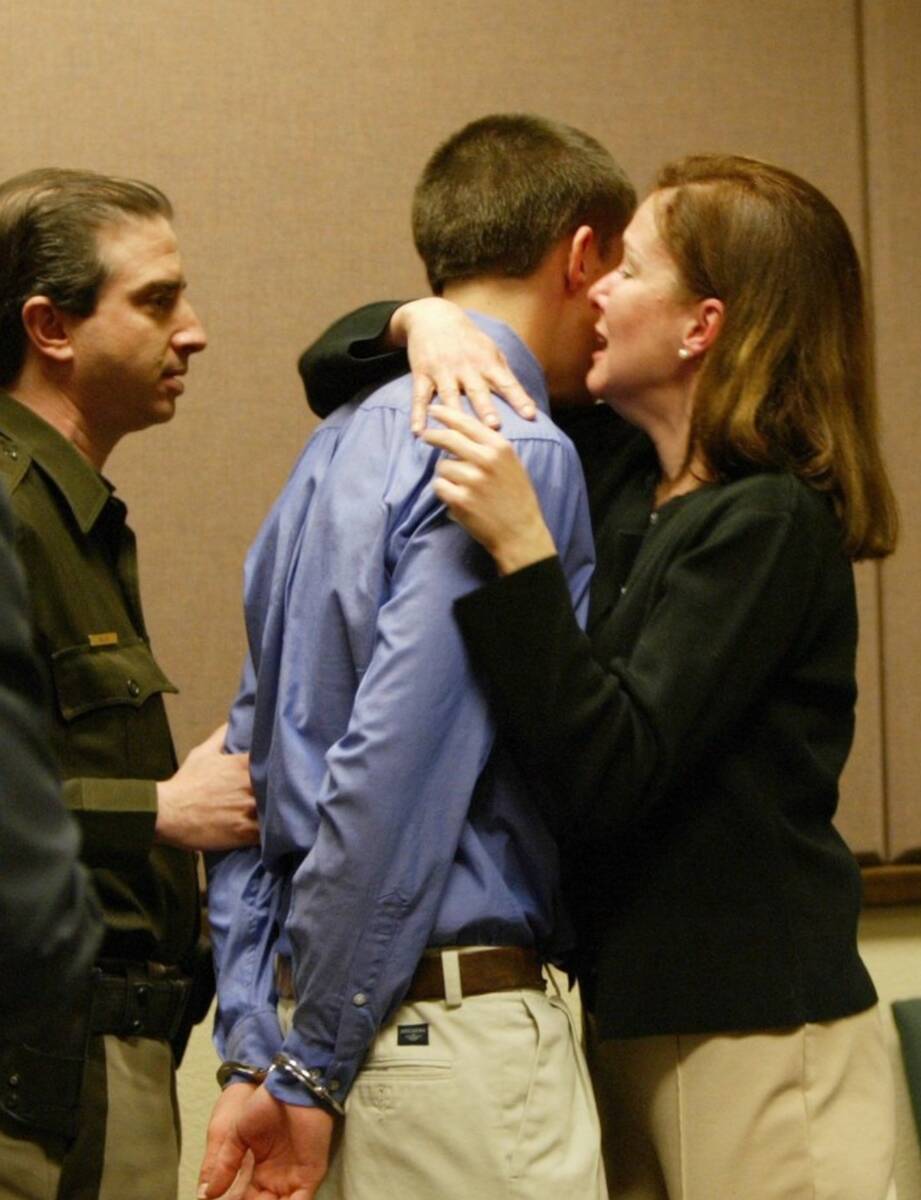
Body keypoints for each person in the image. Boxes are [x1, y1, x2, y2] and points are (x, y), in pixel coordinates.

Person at [295, 154, 899, 1200]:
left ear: (702, 325)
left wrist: (526, 556)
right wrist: (421, 322)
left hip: (758, 1030)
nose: (596, 289)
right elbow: (327, 366)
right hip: (636, 1020)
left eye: (629, 269)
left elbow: (613, 767)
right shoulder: (626, 473)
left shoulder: (767, 522)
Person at [198, 113, 636, 1200]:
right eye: (617, 270)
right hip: (443, 1049)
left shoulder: (327, 452)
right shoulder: (512, 441)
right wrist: (307, 1067)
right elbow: (391, 784)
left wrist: (260, 1036)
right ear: (581, 256)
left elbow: (246, 783)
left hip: (330, 1025)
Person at [0, 168, 259, 1200]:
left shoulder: (76, 514)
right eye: (155, 301)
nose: (190, 331)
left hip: (113, 1062)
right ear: (50, 327)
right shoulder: (13, 510)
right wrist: (156, 810)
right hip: (39, 1077)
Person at [0, 483, 102, 1039]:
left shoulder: (84, 508)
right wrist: (155, 809)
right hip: (44, 1043)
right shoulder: (23, 502)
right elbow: (30, 920)